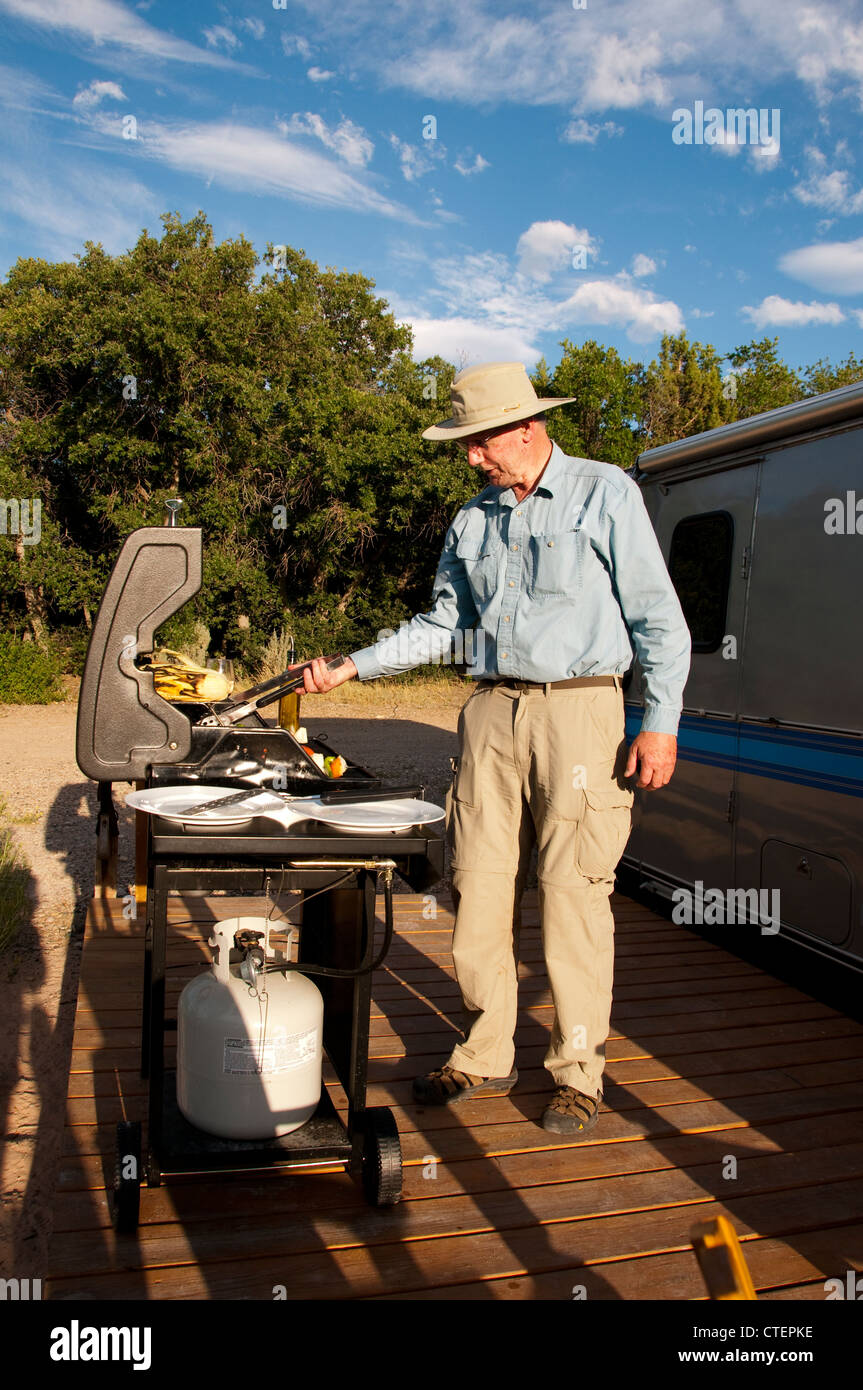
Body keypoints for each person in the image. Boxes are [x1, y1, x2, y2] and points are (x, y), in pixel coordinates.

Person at [296, 360, 691, 1134]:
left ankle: (578, 1070)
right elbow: (444, 625)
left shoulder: (603, 491)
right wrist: (352, 664)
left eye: (478, 443)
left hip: (581, 712)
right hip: (487, 716)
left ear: (525, 427)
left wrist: (661, 720)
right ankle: (483, 1053)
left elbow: (657, 619)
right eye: (465, 446)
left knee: (574, 893)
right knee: (476, 888)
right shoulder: (471, 520)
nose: (470, 458)